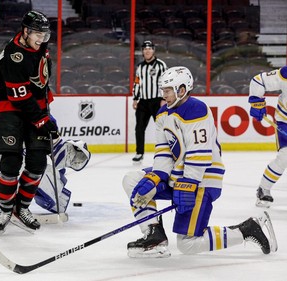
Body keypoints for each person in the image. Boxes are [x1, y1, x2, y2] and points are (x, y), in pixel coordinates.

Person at [122, 66, 277, 258]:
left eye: (168, 90)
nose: (164, 94)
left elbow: (199, 153)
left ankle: (247, 229)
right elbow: (163, 151)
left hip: (202, 179)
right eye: (163, 90)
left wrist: (189, 183)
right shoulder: (162, 114)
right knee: (132, 180)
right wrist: (157, 176)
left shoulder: (196, 109)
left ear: (182, 89)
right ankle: (155, 236)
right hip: (177, 177)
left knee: (187, 244)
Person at [0, 111, 91, 226]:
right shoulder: (1, 121)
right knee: (7, 179)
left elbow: (55, 153)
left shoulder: (43, 120)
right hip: (1, 155)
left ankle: (23, 205)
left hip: (12, 155)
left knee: (40, 176)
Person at [0, 10, 58, 233]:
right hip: (11, 110)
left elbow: (42, 83)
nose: (42, 39)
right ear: (26, 31)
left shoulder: (42, 50)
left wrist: (46, 115)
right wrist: (41, 120)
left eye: (44, 35)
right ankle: (5, 210)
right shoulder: (13, 55)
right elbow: (18, 96)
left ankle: (21, 208)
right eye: (38, 34)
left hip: (35, 109)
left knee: (38, 162)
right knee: (10, 163)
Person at [248, 66, 287, 207]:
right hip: (285, 121)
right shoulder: (285, 74)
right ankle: (264, 189)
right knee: (285, 156)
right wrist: (256, 102)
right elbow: (259, 81)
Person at [132, 40, 168, 162]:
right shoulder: (140, 67)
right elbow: (137, 83)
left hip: (157, 101)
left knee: (162, 127)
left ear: (153, 50)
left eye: (150, 48)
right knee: (139, 128)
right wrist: (135, 98)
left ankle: (166, 151)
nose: (147, 50)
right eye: (145, 49)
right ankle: (139, 152)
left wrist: (164, 98)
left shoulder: (161, 65)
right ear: (142, 51)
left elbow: (166, 82)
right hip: (143, 101)